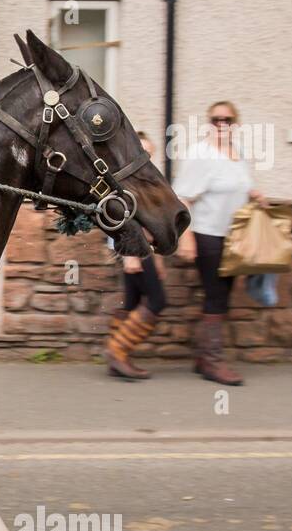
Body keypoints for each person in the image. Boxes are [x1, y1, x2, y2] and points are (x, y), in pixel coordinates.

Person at [172, 100, 265, 385]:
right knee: (216, 297)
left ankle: (203, 358)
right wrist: (186, 238)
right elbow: (181, 198)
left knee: (221, 297)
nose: (221, 125)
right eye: (215, 120)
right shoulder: (200, 154)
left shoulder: (238, 153)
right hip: (208, 235)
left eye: (227, 120)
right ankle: (212, 363)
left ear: (236, 125)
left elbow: (240, 184)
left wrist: (256, 195)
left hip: (234, 238)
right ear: (209, 123)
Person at [104, 132, 166, 379]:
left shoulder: (145, 180)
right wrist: (130, 254)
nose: (147, 157)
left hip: (144, 249)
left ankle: (117, 358)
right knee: (157, 300)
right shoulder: (124, 182)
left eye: (150, 152)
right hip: (133, 249)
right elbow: (118, 217)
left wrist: (158, 257)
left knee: (132, 301)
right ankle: (117, 351)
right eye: (143, 151)